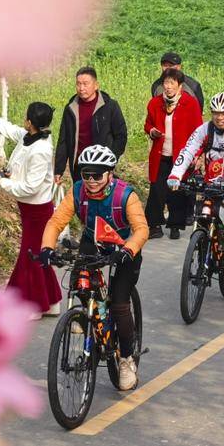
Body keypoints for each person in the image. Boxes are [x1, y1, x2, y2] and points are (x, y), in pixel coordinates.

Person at [39, 145, 148, 391]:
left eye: (97, 175)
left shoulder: (125, 195)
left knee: (120, 304)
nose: (91, 180)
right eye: (86, 174)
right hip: (94, 241)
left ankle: (126, 360)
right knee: (78, 279)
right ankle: (89, 315)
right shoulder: (78, 191)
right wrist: (47, 248)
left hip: (124, 247)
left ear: (110, 173)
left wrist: (128, 250)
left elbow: (141, 229)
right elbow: (56, 222)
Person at [0, 98, 61, 317]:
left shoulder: (41, 150)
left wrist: (4, 182)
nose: (23, 120)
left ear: (30, 122)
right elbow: (8, 129)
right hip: (29, 209)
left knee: (30, 258)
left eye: (26, 117)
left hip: (37, 211)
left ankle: (32, 306)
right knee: (37, 255)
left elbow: (31, 187)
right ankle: (51, 302)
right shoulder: (29, 136)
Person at [167, 93, 224, 262]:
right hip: (211, 180)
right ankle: (203, 243)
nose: (219, 118)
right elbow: (188, 150)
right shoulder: (205, 129)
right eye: (216, 113)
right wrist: (176, 174)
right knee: (203, 211)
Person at [144, 68, 203, 240]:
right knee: (157, 189)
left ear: (180, 85)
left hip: (181, 156)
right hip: (160, 154)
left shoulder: (190, 103)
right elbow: (148, 124)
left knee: (177, 191)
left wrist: (197, 154)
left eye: (172, 83)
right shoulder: (155, 103)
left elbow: (199, 132)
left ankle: (175, 225)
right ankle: (154, 225)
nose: (168, 87)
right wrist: (152, 131)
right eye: (166, 83)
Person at [54, 67, 128, 184]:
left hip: (101, 165)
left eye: (85, 84)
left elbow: (121, 136)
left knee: (102, 194)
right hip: (79, 165)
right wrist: (59, 169)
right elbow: (63, 140)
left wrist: (110, 159)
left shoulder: (110, 106)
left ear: (96, 85)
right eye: (78, 84)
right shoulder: (70, 108)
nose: (81, 88)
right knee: (80, 194)